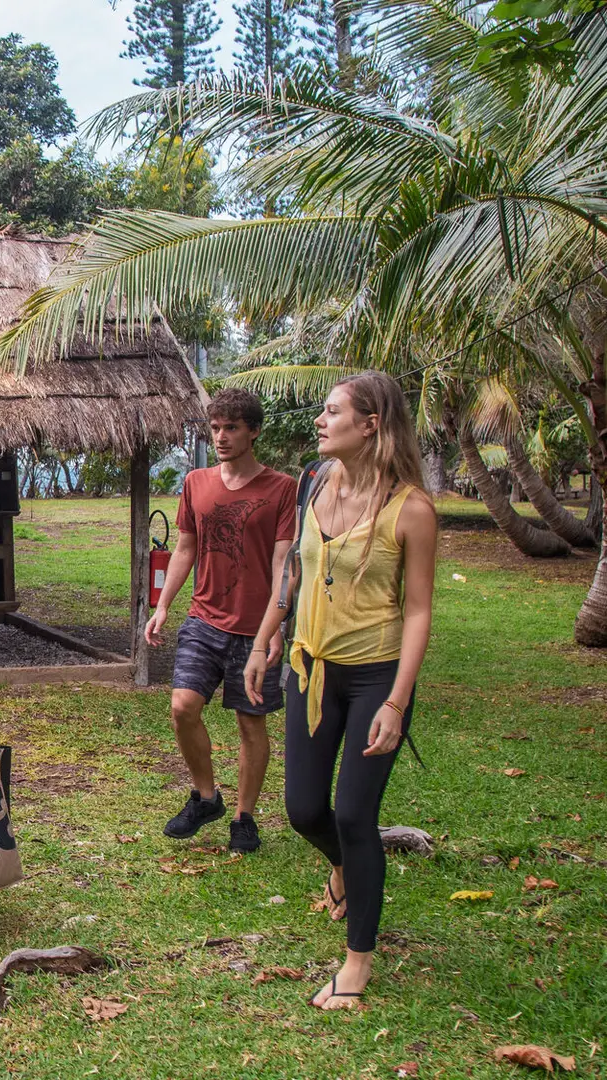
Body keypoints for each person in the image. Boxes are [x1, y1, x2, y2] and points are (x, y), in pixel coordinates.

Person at [243, 371, 437, 1011]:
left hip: (375, 677)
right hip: (309, 668)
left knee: (354, 815)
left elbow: (416, 613)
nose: (321, 421)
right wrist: (266, 638)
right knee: (303, 810)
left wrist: (396, 702)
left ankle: (358, 962)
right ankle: (347, 869)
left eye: (333, 412)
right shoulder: (315, 484)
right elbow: (293, 571)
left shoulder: (411, 510)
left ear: (371, 423)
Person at [144, 388, 298, 853]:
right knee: (182, 707)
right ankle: (206, 795)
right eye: (215, 428)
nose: (222, 437)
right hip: (204, 619)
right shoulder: (196, 483)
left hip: (256, 629)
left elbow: (282, 564)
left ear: (253, 431)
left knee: (251, 723)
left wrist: (275, 630)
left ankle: (245, 817)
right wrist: (165, 605)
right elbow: (185, 547)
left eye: (232, 427)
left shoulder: (282, 489)